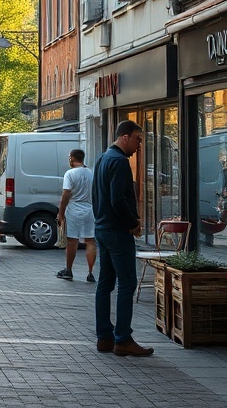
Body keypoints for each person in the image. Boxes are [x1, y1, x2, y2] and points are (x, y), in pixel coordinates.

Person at [93, 120, 153, 357]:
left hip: (102, 228)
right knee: (127, 283)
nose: (139, 145)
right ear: (125, 137)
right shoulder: (119, 162)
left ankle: (104, 337)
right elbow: (118, 199)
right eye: (138, 139)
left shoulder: (102, 158)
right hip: (117, 232)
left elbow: (97, 196)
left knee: (105, 283)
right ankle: (123, 339)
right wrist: (133, 224)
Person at [56, 148, 96, 282]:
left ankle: (68, 270)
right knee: (90, 241)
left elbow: (66, 194)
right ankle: (90, 272)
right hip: (89, 210)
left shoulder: (70, 174)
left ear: (72, 158)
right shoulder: (90, 173)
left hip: (74, 210)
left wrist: (61, 214)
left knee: (72, 241)